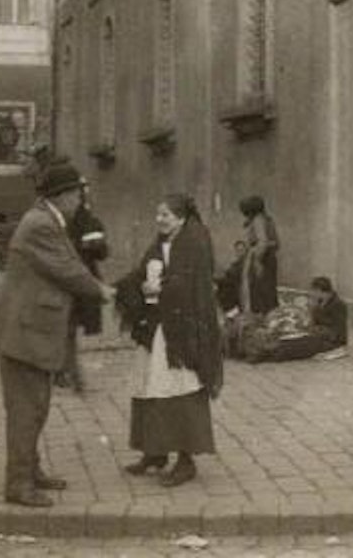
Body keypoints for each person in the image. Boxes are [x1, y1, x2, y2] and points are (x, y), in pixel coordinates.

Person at [0, 160, 114, 508]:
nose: (81, 202)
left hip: (31, 329)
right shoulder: (42, 224)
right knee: (27, 409)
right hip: (25, 332)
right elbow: (67, 269)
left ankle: (30, 470)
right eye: (78, 194)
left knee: (36, 406)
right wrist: (102, 290)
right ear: (63, 195)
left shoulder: (46, 219)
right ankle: (18, 484)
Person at [115, 194, 223, 487]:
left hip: (181, 332)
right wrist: (129, 287)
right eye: (158, 214)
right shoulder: (158, 243)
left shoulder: (195, 242)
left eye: (165, 214)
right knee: (149, 385)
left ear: (181, 217)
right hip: (155, 327)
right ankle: (155, 451)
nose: (159, 219)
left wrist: (158, 289)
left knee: (178, 387)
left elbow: (192, 284)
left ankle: (186, 460)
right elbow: (140, 273)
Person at [56, 178, 109, 393]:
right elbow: (102, 252)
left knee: (67, 328)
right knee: (68, 329)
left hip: (70, 280)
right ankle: (70, 374)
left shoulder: (62, 220)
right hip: (79, 279)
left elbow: (101, 251)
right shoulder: (86, 220)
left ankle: (67, 373)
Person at [246, 276, 348, 363]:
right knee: (289, 336)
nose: (311, 294)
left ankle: (267, 353)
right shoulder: (320, 302)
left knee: (299, 345)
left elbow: (338, 332)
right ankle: (263, 350)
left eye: (313, 291)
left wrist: (316, 329)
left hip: (328, 341)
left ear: (320, 291)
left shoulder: (338, 305)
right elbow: (312, 320)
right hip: (316, 334)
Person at [238, 195, 279, 315]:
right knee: (268, 293)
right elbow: (276, 243)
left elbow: (263, 242)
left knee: (259, 293)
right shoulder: (268, 220)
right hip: (269, 258)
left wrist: (257, 260)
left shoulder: (258, 220)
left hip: (261, 260)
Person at [216, 238, 247, 314]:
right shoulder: (235, 264)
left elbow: (234, 277)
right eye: (238, 250)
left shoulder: (245, 264)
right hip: (230, 285)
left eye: (241, 250)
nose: (239, 253)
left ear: (245, 251)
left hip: (236, 290)